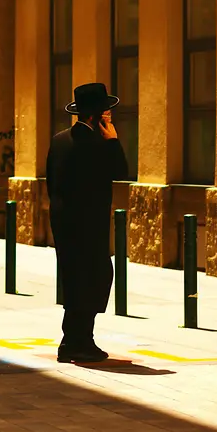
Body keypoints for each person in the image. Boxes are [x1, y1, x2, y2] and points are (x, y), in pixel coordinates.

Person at [45, 82, 129, 363]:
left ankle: (74, 341)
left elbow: (52, 183)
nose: (109, 117)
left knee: (76, 282)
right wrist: (113, 138)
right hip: (88, 226)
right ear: (96, 115)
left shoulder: (59, 140)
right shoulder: (96, 143)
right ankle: (79, 342)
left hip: (65, 224)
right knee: (95, 278)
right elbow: (121, 170)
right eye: (106, 113)